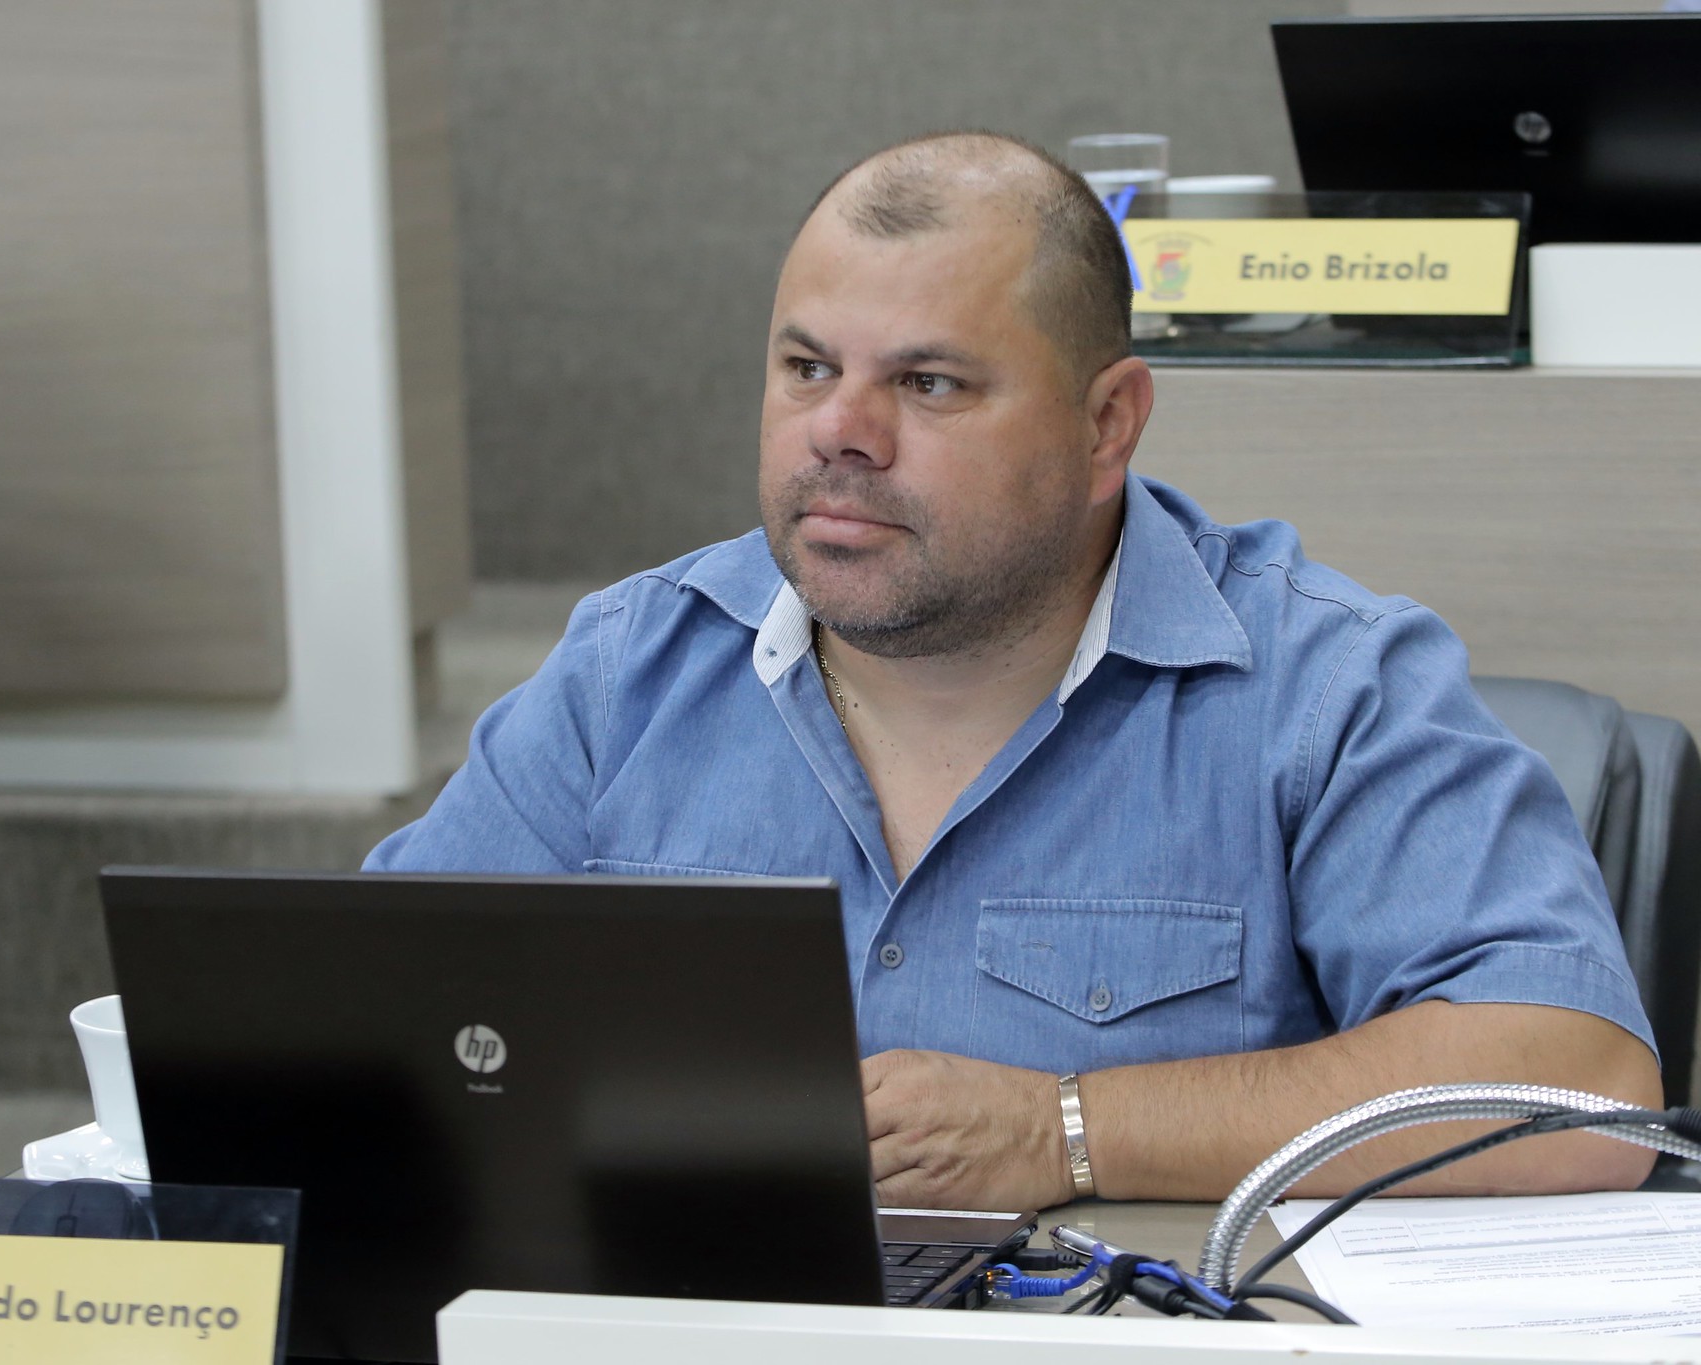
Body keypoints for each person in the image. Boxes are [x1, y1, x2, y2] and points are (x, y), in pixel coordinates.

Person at [366, 131, 1661, 1211]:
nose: (840, 435)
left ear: (1109, 424)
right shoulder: (632, 666)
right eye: (806, 367)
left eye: (927, 383)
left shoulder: (1322, 683)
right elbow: (365, 1017)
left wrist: (1070, 1128)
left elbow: (1576, 1085)